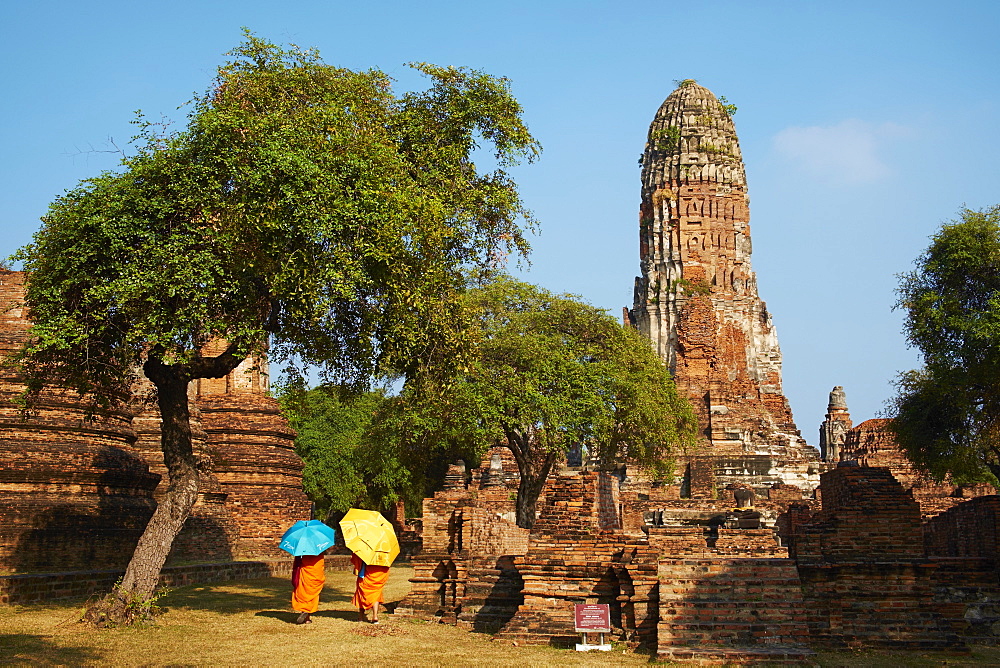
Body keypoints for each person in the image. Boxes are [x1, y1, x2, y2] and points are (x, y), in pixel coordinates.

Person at [350, 552, 390, 624]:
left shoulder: (365, 548)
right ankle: (375, 616)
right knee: (376, 594)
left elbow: (356, 557)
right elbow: (387, 563)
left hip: (366, 573)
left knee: (362, 594)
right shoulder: (383, 549)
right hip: (379, 573)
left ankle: (361, 617)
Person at [291, 552, 326, 624]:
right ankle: (307, 617)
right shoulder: (319, 549)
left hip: (305, 570)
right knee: (313, 593)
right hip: (316, 572)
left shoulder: (304, 550)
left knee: (303, 591)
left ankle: (305, 612)